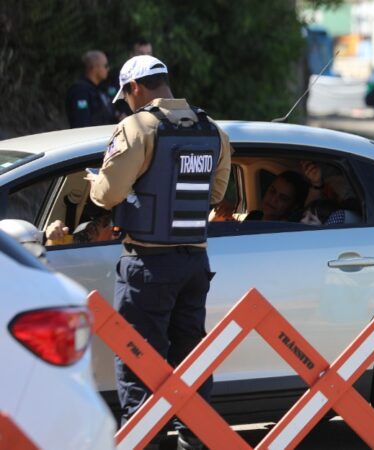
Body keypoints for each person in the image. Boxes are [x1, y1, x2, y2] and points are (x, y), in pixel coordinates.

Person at [88, 55, 232, 450]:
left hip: (147, 264)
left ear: (135, 88)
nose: (126, 103)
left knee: (139, 361)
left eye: (126, 95)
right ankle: (194, 438)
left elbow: (107, 194)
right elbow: (215, 194)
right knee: (191, 359)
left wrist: (94, 184)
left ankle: (143, 441)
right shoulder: (211, 130)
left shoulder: (137, 128)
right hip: (194, 262)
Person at [104, 37, 154, 118]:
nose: (145, 58)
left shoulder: (156, 76)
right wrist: (118, 114)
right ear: (131, 55)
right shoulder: (119, 76)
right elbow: (108, 104)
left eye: (148, 54)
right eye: (141, 54)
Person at [65, 50, 116, 128]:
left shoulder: (98, 89)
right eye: (105, 66)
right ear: (95, 68)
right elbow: (82, 123)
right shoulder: (80, 91)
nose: (108, 69)